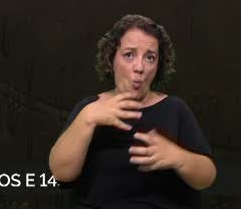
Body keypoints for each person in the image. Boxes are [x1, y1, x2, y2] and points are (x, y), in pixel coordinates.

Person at [48, 14, 216, 208]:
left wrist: (179, 158)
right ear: (111, 59)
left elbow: (206, 177)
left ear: (158, 65)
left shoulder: (175, 109)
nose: (140, 67)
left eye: (150, 57)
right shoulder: (89, 108)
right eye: (129, 55)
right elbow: (61, 174)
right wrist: (87, 119)